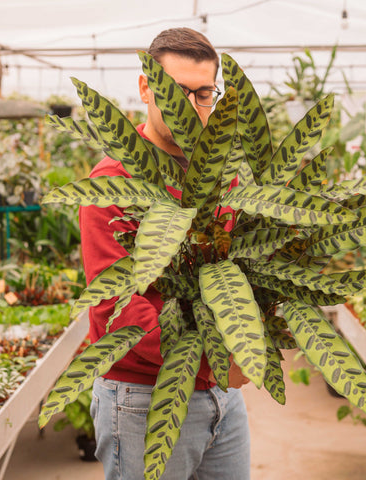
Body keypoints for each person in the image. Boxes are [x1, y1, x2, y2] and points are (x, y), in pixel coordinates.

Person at [79, 27, 251, 480]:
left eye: (203, 94)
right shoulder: (113, 181)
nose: (190, 107)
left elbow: (242, 264)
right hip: (143, 399)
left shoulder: (223, 175)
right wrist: (219, 357)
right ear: (145, 88)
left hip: (222, 395)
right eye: (176, 92)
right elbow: (116, 307)